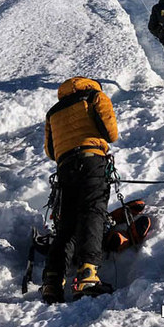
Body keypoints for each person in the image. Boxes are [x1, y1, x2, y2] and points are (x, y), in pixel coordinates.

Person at [41, 76, 118, 304]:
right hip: (91, 160)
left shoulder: (53, 111)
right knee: (93, 212)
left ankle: (52, 283)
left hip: (65, 167)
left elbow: (50, 151)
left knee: (66, 224)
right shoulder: (95, 96)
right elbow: (110, 133)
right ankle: (87, 276)